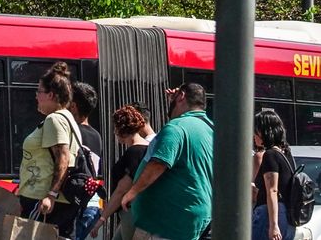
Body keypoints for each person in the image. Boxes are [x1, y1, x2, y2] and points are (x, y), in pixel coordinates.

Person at [122, 83, 214, 240]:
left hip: (165, 222)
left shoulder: (177, 127)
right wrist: (175, 100)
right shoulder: (210, 129)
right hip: (192, 217)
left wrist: (132, 192)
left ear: (182, 96)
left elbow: (159, 163)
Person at [17, 61, 82, 238]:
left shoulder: (55, 119)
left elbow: (63, 157)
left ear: (51, 95)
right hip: (50, 198)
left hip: (42, 199)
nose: (36, 96)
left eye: (39, 91)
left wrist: (51, 195)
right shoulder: (67, 118)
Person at [89, 104, 150, 239]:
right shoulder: (149, 148)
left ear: (121, 128)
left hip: (130, 212)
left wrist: (102, 219)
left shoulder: (133, 152)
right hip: (142, 211)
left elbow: (121, 190)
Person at [253, 108, 294, 240]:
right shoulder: (286, 154)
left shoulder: (270, 155)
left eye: (256, 131)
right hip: (285, 214)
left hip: (268, 214)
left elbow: (272, 190)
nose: (253, 136)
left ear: (264, 131)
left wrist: (273, 225)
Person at [71, 82, 104, 240]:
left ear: (74, 106)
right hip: (93, 204)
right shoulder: (97, 136)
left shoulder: (71, 133)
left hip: (77, 205)